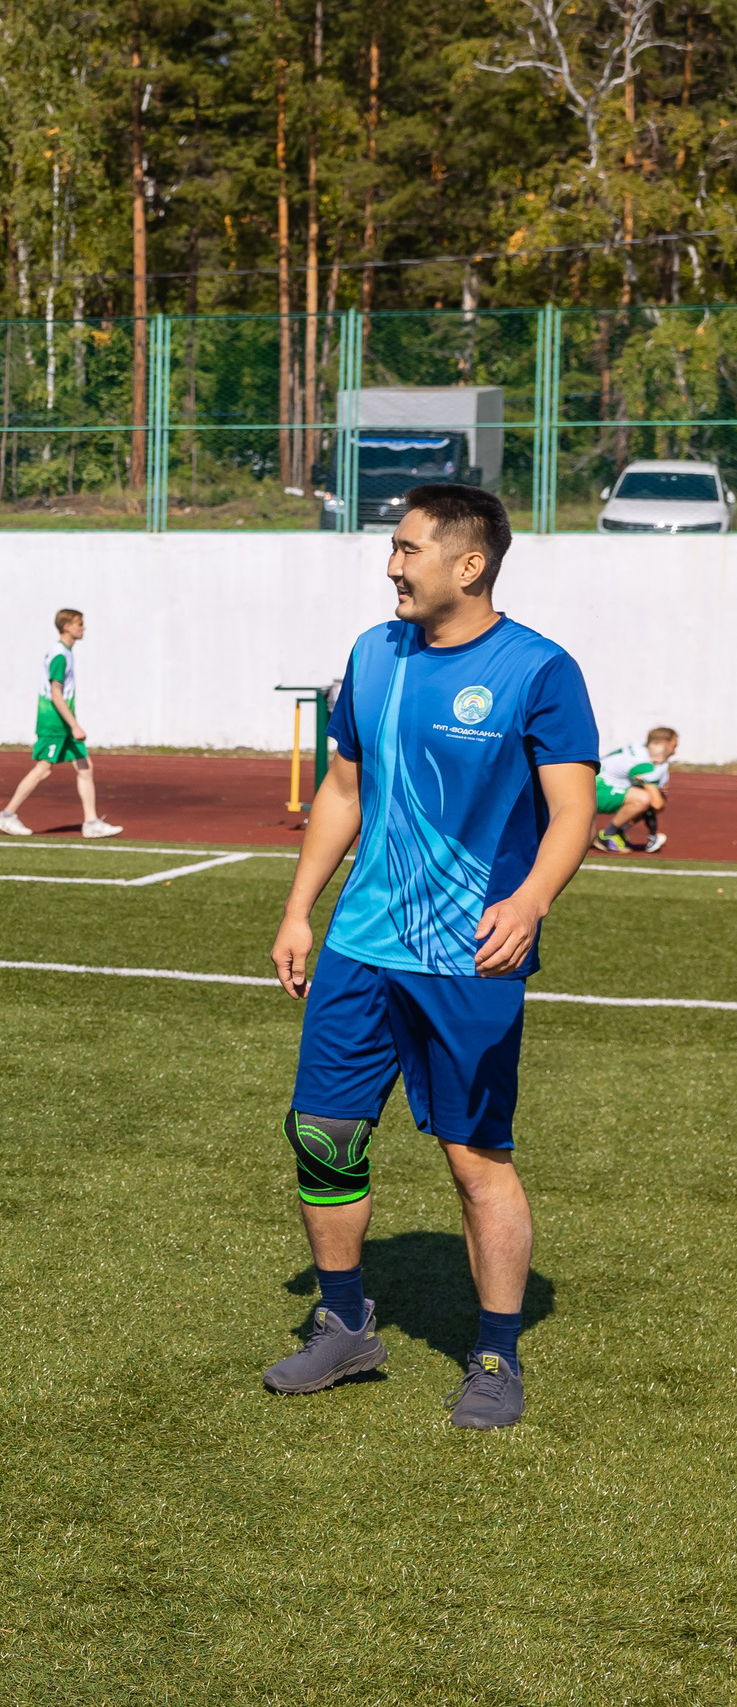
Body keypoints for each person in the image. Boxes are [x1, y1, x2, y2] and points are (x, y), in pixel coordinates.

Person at [263, 485, 596, 1431]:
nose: (391, 565)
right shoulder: (373, 654)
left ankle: (494, 1350)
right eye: (392, 548)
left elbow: (573, 810)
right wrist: (300, 910)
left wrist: (530, 902)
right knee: (326, 1134)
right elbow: (341, 788)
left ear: (469, 564)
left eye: (408, 549)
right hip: (361, 950)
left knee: (474, 1156)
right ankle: (343, 1320)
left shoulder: (538, 669)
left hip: (468, 959)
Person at [0, 608, 121, 838]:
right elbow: (55, 693)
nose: (83, 628)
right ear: (67, 627)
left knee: (85, 767)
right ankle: (7, 815)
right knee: (42, 770)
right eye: (79, 624)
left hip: (63, 724)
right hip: (54, 723)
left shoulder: (64, 653)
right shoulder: (60, 655)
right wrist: (74, 724)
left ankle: (91, 822)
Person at [593, 726, 676, 855]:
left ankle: (617, 832)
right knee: (644, 799)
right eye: (674, 746)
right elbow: (657, 804)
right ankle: (608, 835)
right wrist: (660, 794)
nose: (674, 751)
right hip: (596, 791)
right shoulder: (644, 763)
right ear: (664, 742)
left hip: (595, 785)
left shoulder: (641, 748)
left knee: (645, 796)